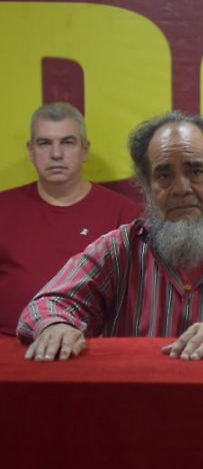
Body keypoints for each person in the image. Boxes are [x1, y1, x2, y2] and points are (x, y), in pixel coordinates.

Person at [18, 110, 203, 361]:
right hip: (137, 399)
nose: (181, 188)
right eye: (163, 175)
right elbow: (45, 305)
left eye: (196, 171)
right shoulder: (120, 249)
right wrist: (56, 325)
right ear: (146, 186)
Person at [0, 102, 139, 335]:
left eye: (67, 142)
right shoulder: (3, 208)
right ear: (30, 150)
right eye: (44, 143)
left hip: (87, 347)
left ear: (85, 149)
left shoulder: (124, 215)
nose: (56, 154)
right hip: (7, 346)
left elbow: (135, 299)